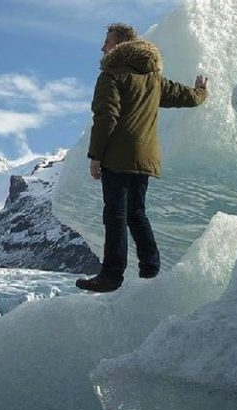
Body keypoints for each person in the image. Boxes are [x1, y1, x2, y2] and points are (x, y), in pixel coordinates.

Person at [75, 24, 208, 293]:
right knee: (136, 214)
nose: (103, 47)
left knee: (115, 215)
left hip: (117, 156)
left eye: (107, 42)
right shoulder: (153, 78)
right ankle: (151, 269)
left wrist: (95, 156)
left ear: (121, 44)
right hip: (146, 157)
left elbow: (106, 116)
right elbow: (184, 96)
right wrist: (200, 92)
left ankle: (112, 275)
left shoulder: (111, 75)